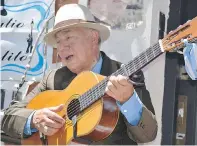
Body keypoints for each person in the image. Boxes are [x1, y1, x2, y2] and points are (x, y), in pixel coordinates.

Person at [1, 4, 158, 145]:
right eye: (58, 42)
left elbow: (148, 135)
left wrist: (129, 101)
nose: (62, 48)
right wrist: (34, 119)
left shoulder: (124, 76)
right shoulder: (53, 79)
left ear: (93, 38)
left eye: (68, 37)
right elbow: (9, 116)